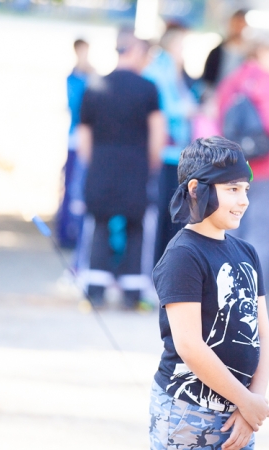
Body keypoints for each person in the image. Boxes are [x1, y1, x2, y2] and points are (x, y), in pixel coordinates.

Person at [150, 136, 269, 450]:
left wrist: (252, 404)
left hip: (239, 414)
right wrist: (246, 400)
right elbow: (189, 345)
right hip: (187, 414)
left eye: (245, 189)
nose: (243, 200)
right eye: (232, 189)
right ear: (195, 189)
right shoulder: (183, 255)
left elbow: (264, 336)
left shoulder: (247, 252)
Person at [76, 27, 166, 309]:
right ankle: (132, 294)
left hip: (102, 165)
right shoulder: (148, 88)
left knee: (99, 225)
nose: (149, 60)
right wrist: (150, 164)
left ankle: (95, 291)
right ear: (135, 51)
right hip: (135, 166)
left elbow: (83, 137)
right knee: (136, 227)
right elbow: (158, 135)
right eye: (147, 53)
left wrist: (94, 163)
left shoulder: (94, 86)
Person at [216, 31, 269, 300]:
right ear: (262, 52)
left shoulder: (233, 80)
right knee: (261, 235)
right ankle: (251, 300)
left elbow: (219, 116)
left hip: (236, 166)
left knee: (233, 230)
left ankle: (224, 296)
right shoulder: (264, 81)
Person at [142, 23, 199, 266]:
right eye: (182, 46)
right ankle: (156, 269)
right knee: (164, 217)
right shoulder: (159, 71)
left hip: (177, 155)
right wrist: (186, 110)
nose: (185, 52)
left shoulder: (175, 71)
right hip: (164, 154)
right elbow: (160, 108)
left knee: (174, 216)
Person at [58, 38, 95, 249]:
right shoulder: (73, 78)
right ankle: (65, 232)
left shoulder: (91, 75)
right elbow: (76, 106)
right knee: (71, 186)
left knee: (81, 188)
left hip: (87, 139)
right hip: (75, 138)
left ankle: (79, 233)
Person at [202, 9, 249, 90]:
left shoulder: (249, 55)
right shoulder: (216, 52)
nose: (239, 29)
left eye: (241, 24)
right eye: (236, 24)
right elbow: (207, 79)